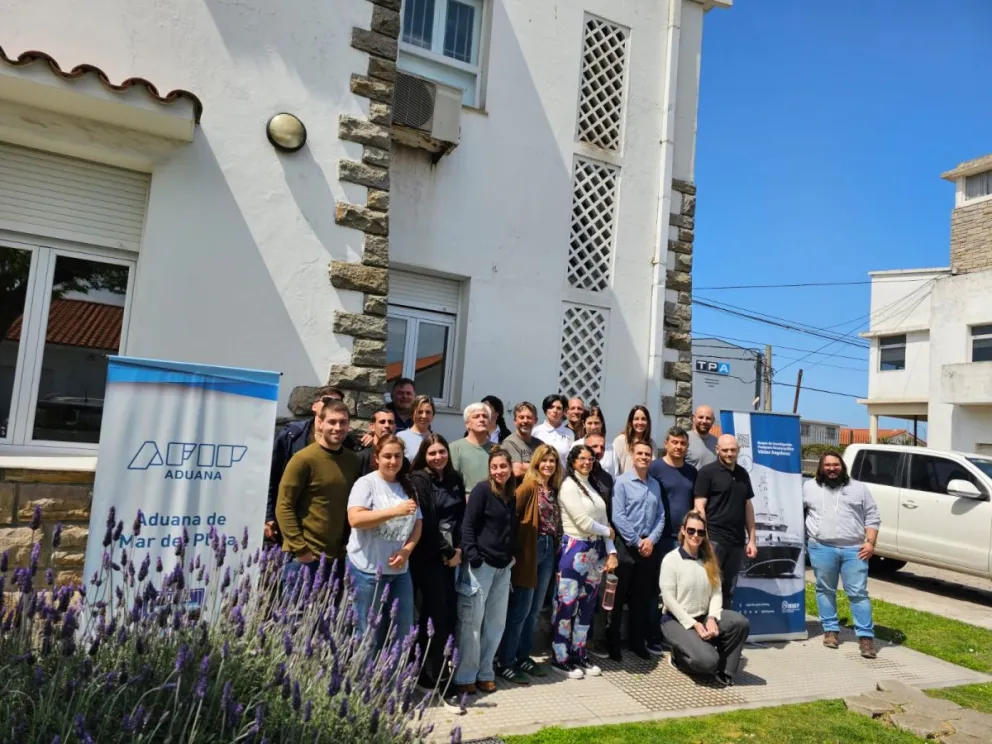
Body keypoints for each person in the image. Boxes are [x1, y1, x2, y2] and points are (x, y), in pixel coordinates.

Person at [346, 436, 422, 652]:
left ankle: (395, 674)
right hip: (367, 571)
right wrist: (394, 511)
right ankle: (364, 673)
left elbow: (418, 524)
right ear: (377, 458)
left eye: (397, 456)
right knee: (367, 634)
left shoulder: (408, 486)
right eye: (387, 456)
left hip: (400, 572)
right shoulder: (366, 484)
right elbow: (355, 519)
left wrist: (406, 551)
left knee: (402, 632)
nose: (393, 461)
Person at [804, 451, 881, 659]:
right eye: (827, 465)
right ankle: (830, 630)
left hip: (854, 550)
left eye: (836, 465)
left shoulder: (859, 488)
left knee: (858, 593)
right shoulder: (808, 487)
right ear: (821, 468)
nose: (832, 469)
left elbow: (873, 516)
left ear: (843, 467)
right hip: (821, 547)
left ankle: (865, 638)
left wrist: (870, 542)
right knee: (825, 589)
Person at [660, 511, 750, 687]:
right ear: (683, 530)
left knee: (740, 623)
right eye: (691, 530)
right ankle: (678, 658)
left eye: (700, 532)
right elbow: (669, 599)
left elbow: (716, 592)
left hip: (703, 616)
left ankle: (724, 671)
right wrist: (694, 624)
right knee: (708, 662)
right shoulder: (671, 560)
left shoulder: (709, 560)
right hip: (677, 620)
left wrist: (712, 618)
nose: (696, 535)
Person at [276, 399, 361, 584]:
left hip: (337, 560)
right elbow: (283, 506)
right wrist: (300, 549)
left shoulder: (353, 462)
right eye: (332, 422)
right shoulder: (303, 459)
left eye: (343, 422)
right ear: (320, 423)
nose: (338, 427)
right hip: (304, 559)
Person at [454, 447, 517, 696]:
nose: (499, 471)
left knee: (495, 623)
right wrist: (474, 557)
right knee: (472, 623)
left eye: (503, 466)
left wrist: (511, 555)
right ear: (489, 469)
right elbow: (468, 526)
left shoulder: (510, 494)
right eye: (494, 467)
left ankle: (485, 672)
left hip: (503, 568)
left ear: (510, 468)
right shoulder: (482, 490)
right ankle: (465, 676)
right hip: (482, 566)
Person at [552, 445, 618, 679]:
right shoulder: (569, 486)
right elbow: (582, 521)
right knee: (566, 604)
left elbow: (604, 521)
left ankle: (579, 653)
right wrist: (608, 532)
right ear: (572, 461)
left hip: (595, 552)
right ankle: (560, 657)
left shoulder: (592, 486)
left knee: (587, 606)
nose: (587, 462)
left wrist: (611, 551)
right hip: (575, 549)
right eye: (582, 458)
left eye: (590, 459)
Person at [497, 444, 563, 682]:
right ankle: (506, 660)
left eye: (552, 461)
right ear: (536, 462)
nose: (548, 465)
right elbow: (511, 518)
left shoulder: (553, 489)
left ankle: (523, 656)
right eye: (544, 460)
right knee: (520, 609)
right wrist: (514, 550)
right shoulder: (527, 486)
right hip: (529, 550)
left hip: (548, 549)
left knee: (535, 610)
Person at [409, 434, 467, 688]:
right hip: (428, 556)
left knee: (446, 614)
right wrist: (447, 552)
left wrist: (459, 549)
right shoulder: (419, 480)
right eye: (432, 453)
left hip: (452, 556)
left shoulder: (455, 478)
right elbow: (426, 521)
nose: (438, 457)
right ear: (424, 455)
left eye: (442, 451)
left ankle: (437, 669)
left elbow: (462, 516)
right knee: (434, 615)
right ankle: (430, 673)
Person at [266, 388, 356, 544]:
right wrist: (268, 515)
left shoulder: (346, 443)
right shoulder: (292, 436)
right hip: (293, 527)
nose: (332, 404)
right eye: (327, 400)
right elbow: (272, 478)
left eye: (337, 402)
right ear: (314, 406)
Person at [606, 441, 666, 661]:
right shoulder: (621, 482)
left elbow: (661, 516)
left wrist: (651, 540)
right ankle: (612, 643)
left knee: (642, 599)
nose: (644, 457)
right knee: (618, 597)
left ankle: (637, 643)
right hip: (626, 547)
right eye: (639, 453)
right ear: (632, 455)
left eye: (647, 454)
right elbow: (617, 516)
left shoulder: (655, 485)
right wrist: (636, 541)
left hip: (648, 549)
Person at [693, 435, 757, 610]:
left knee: (728, 590)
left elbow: (748, 507)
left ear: (738, 450)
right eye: (725, 450)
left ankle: (724, 623)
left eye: (733, 450)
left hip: (736, 542)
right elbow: (699, 507)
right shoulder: (707, 473)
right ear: (717, 450)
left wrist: (752, 540)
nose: (729, 453)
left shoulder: (743, 474)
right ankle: (705, 624)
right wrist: (705, 540)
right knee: (708, 587)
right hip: (714, 540)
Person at [582, 431, 616, 661]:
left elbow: (608, 516)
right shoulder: (573, 477)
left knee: (597, 595)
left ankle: (593, 640)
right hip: (578, 543)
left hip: (600, 544)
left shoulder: (606, 478)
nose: (598, 451)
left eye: (602, 447)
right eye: (593, 447)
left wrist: (611, 548)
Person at [649, 427, 698, 555]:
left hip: (685, 536)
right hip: (660, 536)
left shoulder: (692, 472)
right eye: (675, 442)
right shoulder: (653, 468)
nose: (679, 447)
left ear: (687, 446)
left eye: (683, 443)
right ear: (666, 444)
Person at [449, 402, 495, 489]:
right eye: (476, 416)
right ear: (467, 424)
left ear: (489, 423)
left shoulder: (496, 449)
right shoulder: (455, 448)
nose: (482, 419)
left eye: (485, 416)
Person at [357, 407, 410, 477]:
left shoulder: (402, 461)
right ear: (372, 427)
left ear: (395, 427)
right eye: (382, 422)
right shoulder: (361, 458)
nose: (387, 425)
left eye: (390, 422)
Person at [502, 401, 545, 479]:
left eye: (529, 417)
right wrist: (541, 466)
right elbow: (517, 470)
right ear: (515, 421)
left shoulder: (540, 444)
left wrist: (525, 466)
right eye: (521, 417)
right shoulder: (509, 443)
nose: (525, 421)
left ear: (535, 420)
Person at [612, 405, 657, 475]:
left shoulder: (652, 444)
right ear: (631, 421)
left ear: (648, 422)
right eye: (636, 419)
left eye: (643, 419)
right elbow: (614, 469)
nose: (640, 422)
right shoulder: (620, 441)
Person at [575, 406, 616, 476]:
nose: (593, 427)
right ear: (583, 424)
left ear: (601, 424)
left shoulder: (610, 448)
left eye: (596, 423)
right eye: (590, 423)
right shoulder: (576, 446)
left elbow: (615, 474)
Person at [532, 394, 574, 464]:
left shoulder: (569, 433)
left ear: (563, 412)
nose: (555, 410)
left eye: (559, 408)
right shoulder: (535, 431)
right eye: (551, 407)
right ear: (546, 410)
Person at [685, 405, 718, 469]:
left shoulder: (717, 443)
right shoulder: (683, 440)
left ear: (713, 421)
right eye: (701, 417)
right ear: (694, 418)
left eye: (708, 418)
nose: (704, 421)